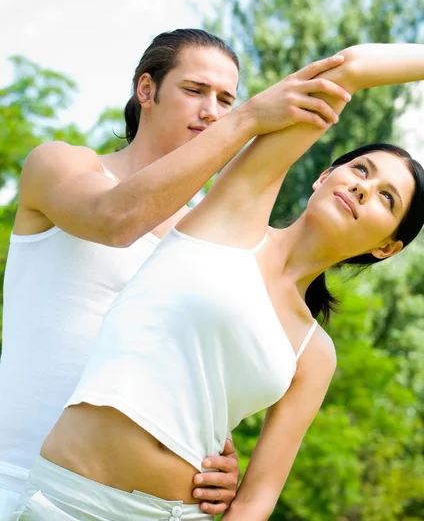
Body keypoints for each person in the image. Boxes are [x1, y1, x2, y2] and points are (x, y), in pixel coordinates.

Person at [10, 43, 424, 521]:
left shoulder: (315, 351)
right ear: (323, 175)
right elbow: (344, 72)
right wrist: (249, 117)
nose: (362, 187)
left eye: (386, 199)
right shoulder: (226, 219)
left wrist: (227, 469)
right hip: (62, 494)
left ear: (387, 247)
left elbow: (256, 497)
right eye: (361, 169)